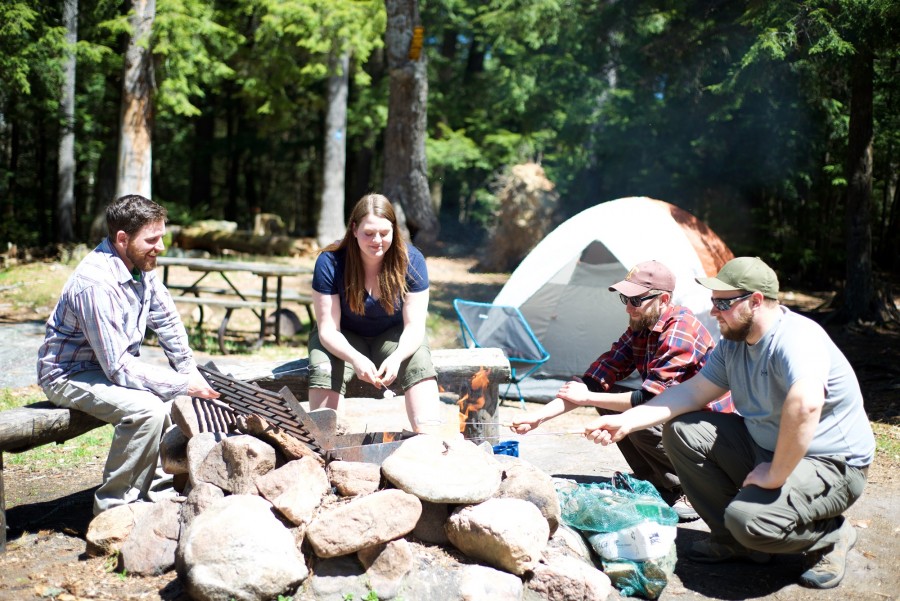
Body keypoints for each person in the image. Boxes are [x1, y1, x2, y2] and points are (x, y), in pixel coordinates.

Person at [583, 256, 875, 590]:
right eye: (713, 301)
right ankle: (734, 542)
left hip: (830, 463)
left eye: (723, 302)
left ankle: (830, 535)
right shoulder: (733, 344)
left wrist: (775, 472)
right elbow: (691, 393)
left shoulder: (797, 338)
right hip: (768, 447)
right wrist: (628, 421)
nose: (714, 311)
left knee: (748, 521)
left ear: (755, 301)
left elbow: (806, 405)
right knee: (682, 430)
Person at [37, 194, 220, 515]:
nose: (160, 246)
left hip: (108, 367)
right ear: (122, 239)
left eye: (162, 236)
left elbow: (166, 320)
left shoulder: (141, 265)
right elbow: (119, 368)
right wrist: (183, 385)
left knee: (166, 398)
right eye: (152, 239)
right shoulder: (94, 284)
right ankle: (114, 509)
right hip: (68, 374)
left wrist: (189, 370)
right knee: (148, 410)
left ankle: (155, 491)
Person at [511, 260, 733, 521]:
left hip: (710, 432)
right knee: (610, 399)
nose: (628, 308)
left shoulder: (680, 329)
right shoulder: (641, 328)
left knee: (633, 412)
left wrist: (588, 397)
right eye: (624, 298)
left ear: (662, 299)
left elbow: (653, 399)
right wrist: (539, 417)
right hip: (677, 415)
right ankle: (657, 482)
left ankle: (692, 489)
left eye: (636, 300)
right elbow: (596, 379)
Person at [308, 193, 440, 432]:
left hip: (392, 337)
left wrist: (398, 357)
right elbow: (328, 329)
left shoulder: (412, 261)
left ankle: (429, 440)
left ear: (394, 230)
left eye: (384, 233)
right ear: (354, 229)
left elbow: (414, 327)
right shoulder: (330, 263)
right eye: (369, 233)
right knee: (324, 367)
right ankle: (323, 445)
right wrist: (356, 359)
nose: (377, 240)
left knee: (418, 359)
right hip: (342, 338)